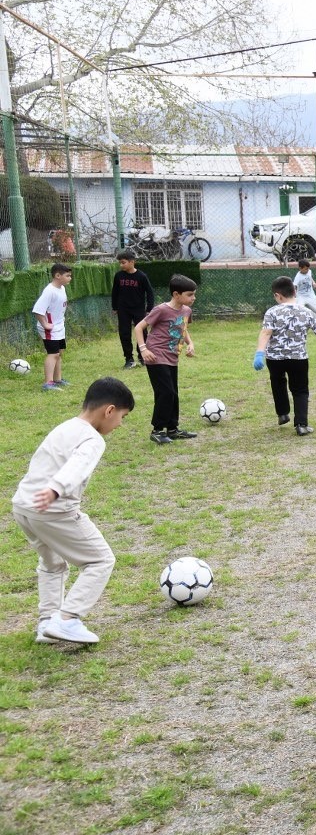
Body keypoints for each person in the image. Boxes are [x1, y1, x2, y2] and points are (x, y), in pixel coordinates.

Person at [14, 377, 134, 645]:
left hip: (23, 506)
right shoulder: (93, 439)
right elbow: (76, 466)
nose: (120, 425)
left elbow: (40, 460)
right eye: (122, 417)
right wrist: (56, 489)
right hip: (53, 508)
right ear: (110, 410)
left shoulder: (66, 427)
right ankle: (68, 619)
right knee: (100, 560)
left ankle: (47, 624)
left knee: (52, 563)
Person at [254, 276, 316, 436]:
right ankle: (301, 424)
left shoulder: (271, 312)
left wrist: (260, 352)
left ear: (277, 296)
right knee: (300, 390)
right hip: (298, 358)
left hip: (275, 359)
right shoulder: (306, 312)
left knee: (277, 384)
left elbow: (266, 332)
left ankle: (283, 413)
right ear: (295, 291)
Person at [131, 274, 198, 445]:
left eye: (194, 294)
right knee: (165, 392)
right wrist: (143, 349)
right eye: (189, 294)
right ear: (176, 294)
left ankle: (173, 429)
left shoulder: (186, 311)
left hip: (172, 357)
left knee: (173, 393)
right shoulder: (161, 309)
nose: (193, 298)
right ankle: (157, 430)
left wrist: (190, 344)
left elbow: (183, 326)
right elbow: (139, 328)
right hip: (155, 355)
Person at [110, 250, 154, 370]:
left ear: (132, 262)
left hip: (139, 309)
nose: (121, 265)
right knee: (124, 333)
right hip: (123, 309)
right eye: (120, 263)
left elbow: (150, 293)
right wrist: (115, 307)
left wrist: (149, 308)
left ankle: (142, 356)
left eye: (123, 262)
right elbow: (115, 292)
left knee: (143, 332)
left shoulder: (141, 276)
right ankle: (129, 359)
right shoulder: (118, 276)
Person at [31, 263, 72, 392]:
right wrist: (45, 324)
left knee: (59, 353)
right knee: (52, 354)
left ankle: (57, 379)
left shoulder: (62, 288)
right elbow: (38, 310)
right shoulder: (49, 291)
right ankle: (48, 383)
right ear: (57, 275)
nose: (70, 278)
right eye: (67, 275)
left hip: (59, 326)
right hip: (51, 330)